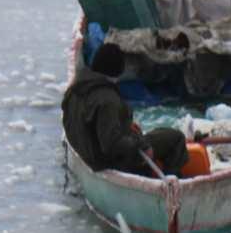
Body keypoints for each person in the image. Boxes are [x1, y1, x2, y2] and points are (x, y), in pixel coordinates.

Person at [61, 42, 187, 177]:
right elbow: (111, 144)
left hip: (86, 152)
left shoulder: (75, 88)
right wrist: (141, 145)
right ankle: (171, 185)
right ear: (117, 70)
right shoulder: (107, 100)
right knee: (175, 138)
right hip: (106, 162)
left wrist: (124, 127)